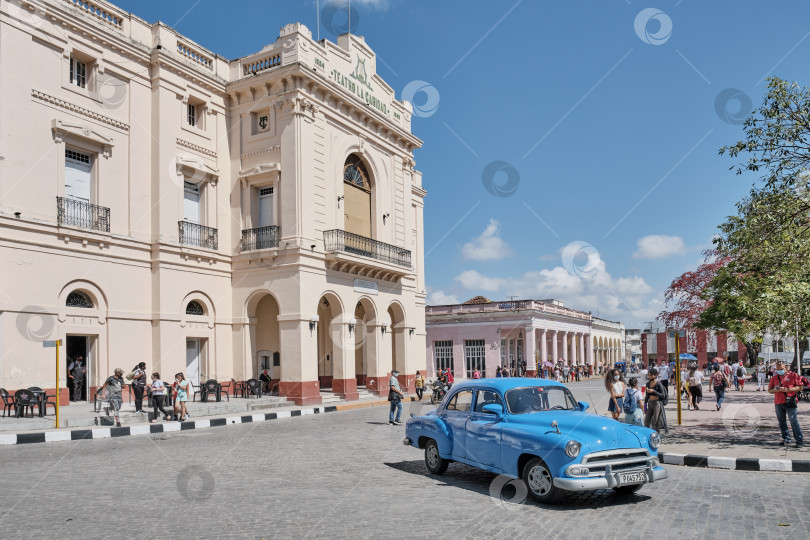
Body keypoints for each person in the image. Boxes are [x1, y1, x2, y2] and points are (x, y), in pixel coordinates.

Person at [768, 361, 803, 447]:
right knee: (782, 422)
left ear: (786, 368)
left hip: (790, 401)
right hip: (778, 402)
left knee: (793, 421)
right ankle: (786, 439)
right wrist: (775, 390)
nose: (779, 371)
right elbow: (769, 390)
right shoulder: (775, 377)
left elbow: (800, 387)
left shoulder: (793, 375)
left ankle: (799, 440)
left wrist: (787, 389)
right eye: (777, 369)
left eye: (781, 369)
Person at [644, 368, 666, 432]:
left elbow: (663, 395)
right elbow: (647, 396)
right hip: (650, 403)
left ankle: (656, 436)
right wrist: (645, 405)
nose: (649, 376)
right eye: (648, 375)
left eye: (650, 375)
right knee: (646, 422)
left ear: (655, 375)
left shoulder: (658, 384)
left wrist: (654, 391)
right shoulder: (648, 383)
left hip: (657, 403)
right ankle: (648, 434)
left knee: (655, 422)